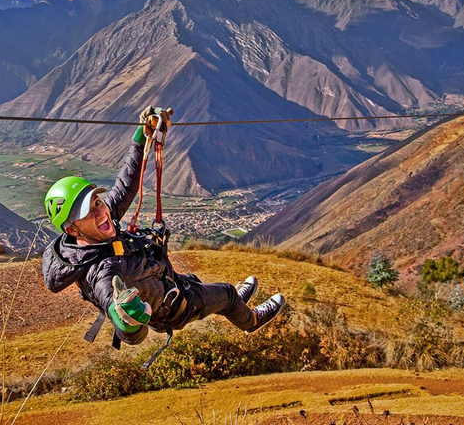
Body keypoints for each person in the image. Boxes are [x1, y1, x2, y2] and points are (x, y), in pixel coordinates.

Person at [41, 106, 285, 349]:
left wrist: (142, 135)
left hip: (171, 282)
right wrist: (128, 321)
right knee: (227, 294)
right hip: (177, 307)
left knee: (210, 291)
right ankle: (251, 320)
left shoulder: (100, 224)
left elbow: (126, 184)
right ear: (73, 230)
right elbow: (123, 322)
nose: (101, 210)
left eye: (97, 201)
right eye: (88, 211)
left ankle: (231, 305)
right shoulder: (101, 271)